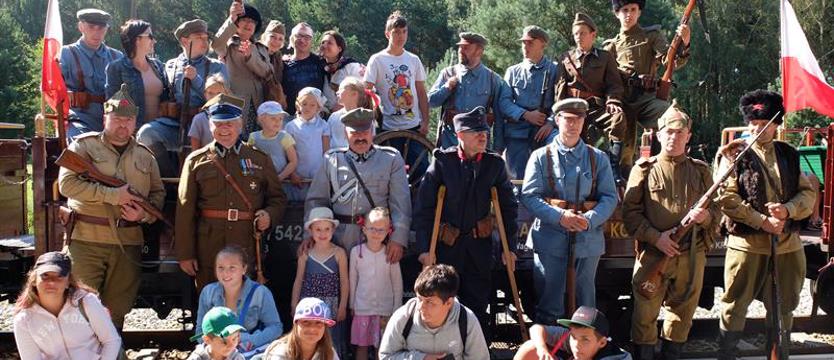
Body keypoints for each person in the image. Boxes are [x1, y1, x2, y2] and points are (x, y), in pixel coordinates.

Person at [715, 90, 816, 360]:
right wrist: (762, 221)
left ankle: (777, 354)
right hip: (747, 246)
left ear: (775, 124)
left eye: (765, 124)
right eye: (754, 124)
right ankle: (727, 355)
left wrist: (786, 211)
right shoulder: (734, 154)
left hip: (786, 245)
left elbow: (808, 194)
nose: (758, 129)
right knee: (734, 306)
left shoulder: (789, 154)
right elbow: (725, 197)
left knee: (784, 307)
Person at [58, 85, 165, 328]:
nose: (123, 125)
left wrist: (143, 216)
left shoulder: (145, 156)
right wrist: (112, 195)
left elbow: (157, 194)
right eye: (117, 119)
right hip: (87, 240)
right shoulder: (84, 147)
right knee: (79, 307)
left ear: (135, 122)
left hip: (127, 243)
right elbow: (67, 185)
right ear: (105, 118)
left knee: (117, 309)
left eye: (128, 120)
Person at [621, 102, 719, 360]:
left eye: (679, 133)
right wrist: (657, 238)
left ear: (688, 136)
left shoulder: (701, 172)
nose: (673, 138)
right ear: (659, 134)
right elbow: (630, 215)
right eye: (668, 132)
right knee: (644, 316)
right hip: (653, 255)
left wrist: (707, 216)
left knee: (681, 315)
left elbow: (718, 213)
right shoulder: (644, 169)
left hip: (691, 257)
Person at [414, 106, 518, 340]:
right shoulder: (443, 162)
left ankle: (477, 351)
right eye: (476, 132)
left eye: (485, 131)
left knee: (478, 305)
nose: (483, 136)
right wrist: (423, 250)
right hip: (446, 249)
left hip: (479, 249)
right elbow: (424, 210)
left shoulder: (494, 165)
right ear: (460, 135)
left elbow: (508, 208)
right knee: (444, 303)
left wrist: (508, 247)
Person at [520, 98, 618, 325]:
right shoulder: (540, 157)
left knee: (585, 307)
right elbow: (529, 195)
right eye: (567, 119)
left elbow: (610, 197)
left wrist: (589, 220)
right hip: (550, 239)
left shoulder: (598, 158)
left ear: (584, 122)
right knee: (549, 304)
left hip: (587, 240)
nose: (573, 125)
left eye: (578, 119)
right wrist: (560, 217)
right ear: (557, 120)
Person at [176, 98, 287, 290]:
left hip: (245, 243)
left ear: (240, 124)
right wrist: (186, 254)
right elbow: (185, 210)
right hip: (209, 246)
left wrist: (269, 215)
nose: (224, 129)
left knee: (244, 302)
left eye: (230, 123)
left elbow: (277, 198)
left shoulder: (258, 158)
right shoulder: (195, 161)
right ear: (210, 126)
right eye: (218, 124)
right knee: (210, 300)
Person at [305, 108, 411, 262]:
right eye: (354, 133)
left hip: (377, 239)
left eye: (364, 132)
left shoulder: (391, 159)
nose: (360, 137)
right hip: (337, 240)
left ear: (372, 132)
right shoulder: (331, 160)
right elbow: (316, 201)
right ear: (345, 133)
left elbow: (400, 204)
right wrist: (309, 234)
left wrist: (398, 239)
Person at [602, 0, 690, 173]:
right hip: (623, 104)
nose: (629, 14)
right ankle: (621, 186)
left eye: (633, 9)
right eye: (625, 10)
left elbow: (670, 61)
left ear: (639, 12)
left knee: (676, 120)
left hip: (648, 101)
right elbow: (607, 80)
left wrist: (684, 43)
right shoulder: (610, 46)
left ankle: (669, 168)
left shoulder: (651, 36)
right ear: (617, 13)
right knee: (623, 155)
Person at [429, 32, 534, 150]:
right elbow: (430, 102)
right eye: (460, 47)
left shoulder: (493, 80)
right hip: (450, 145)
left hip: (479, 147)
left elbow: (498, 118)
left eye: (466, 47)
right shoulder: (447, 74)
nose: (460, 51)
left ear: (479, 51)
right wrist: (447, 88)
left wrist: (497, 149)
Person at [556, 13, 625, 183]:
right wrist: (558, 111)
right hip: (574, 109)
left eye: (582, 33)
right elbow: (560, 87)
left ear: (593, 35)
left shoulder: (605, 57)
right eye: (576, 34)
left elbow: (614, 84)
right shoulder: (566, 58)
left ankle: (614, 167)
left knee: (618, 118)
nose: (578, 37)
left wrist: (613, 101)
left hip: (596, 108)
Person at [13, 252, 122, 359]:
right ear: (33, 280)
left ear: (68, 282)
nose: (51, 282)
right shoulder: (24, 320)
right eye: (45, 276)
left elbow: (111, 341)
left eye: (59, 276)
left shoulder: (86, 302)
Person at [364, 11, 430, 172]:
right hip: (387, 127)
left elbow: (421, 92)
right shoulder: (377, 60)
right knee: (387, 171)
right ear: (387, 34)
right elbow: (367, 91)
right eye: (396, 32)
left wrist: (426, 121)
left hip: (413, 126)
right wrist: (370, 121)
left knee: (421, 170)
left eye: (404, 31)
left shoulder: (413, 60)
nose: (401, 36)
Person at [378, 264, 489, 359]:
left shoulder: (467, 320)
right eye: (420, 299)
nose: (421, 306)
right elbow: (385, 356)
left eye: (430, 302)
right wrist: (419, 358)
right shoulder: (403, 318)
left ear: (448, 303)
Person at [196, 246, 283, 358]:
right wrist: (218, 346)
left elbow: (276, 327)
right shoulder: (208, 293)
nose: (225, 273)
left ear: (244, 269)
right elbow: (199, 332)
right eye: (220, 268)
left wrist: (248, 339)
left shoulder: (261, 293)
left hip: (251, 353)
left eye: (232, 267)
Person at [499, 25, 559, 180]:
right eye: (523, 43)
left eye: (530, 43)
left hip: (545, 129)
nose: (525, 47)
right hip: (518, 131)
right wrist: (525, 114)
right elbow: (504, 102)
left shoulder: (555, 70)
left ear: (543, 44)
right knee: (518, 180)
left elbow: (561, 100)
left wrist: (551, 123)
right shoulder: (513, 71)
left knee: (551, 169)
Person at [291, 207, 349, 358]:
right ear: (310, 230)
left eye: (326, 229)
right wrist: (294, 304)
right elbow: (298, 280)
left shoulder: (339, 253)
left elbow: (344, 281)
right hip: (308, 305)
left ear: (333, 230)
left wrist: (343, 306)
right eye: (318, 229)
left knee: (331, 340)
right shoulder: (305, 254)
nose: (322, 233)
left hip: (331, 305)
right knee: (308, 339)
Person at [61, 8, 124, 142]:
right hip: (80, 120)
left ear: (106, 29)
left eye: (101, 28)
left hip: (113, 122)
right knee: (80, 148)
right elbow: (53, 90)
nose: (96, 32)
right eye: (91, 27)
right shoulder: (66, 54)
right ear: (81, 27)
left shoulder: (117, 57)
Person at [349, 207, 404, 360]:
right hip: (362, 308)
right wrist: (352, 304)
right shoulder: (356, 252)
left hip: (385, 310)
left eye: (381, 230)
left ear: (388, 231)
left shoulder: (389, 253)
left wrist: (396, 308)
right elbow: (353, 279)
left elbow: (397, 283)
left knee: (383, 347)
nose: (376, 233)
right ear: (364, 229)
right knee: (362, 346)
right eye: (372, 228)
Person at [214, 1, 272, 134]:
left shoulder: (260, 49)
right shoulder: (228, 44)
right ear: (236, 23)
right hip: (234, 103)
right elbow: (216, 45)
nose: (249, 24)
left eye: (253, 21)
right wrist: (231, 18)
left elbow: (268, 73)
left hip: (258, 104)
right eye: (244, 19)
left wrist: (249, 57)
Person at [106, 19, 172, 127]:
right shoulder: (116, 68)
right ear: (137, 39)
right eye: (150, 36)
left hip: (160, 130)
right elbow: (112, 107)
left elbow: (167, 98)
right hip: (132, 131)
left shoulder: (158, 66)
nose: (154, 41)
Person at [514, 306, 632, 360]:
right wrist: (542, 349)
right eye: (573, 337)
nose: (576, 344)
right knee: (531, 346)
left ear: (602, 343)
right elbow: (536, 328)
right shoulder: (571, 337)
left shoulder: (617, 357)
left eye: (585, 339)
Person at [165, 19, 229, 114]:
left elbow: (222, 100)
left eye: (206, 38)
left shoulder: (217, 67)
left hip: (206, 121)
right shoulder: (170, 65)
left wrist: (195, 79)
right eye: (199, 38)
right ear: (184, 42)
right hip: (174, 122)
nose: (205, 42)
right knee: (149, 129)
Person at [284, 87, 330, 201]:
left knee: (316, 202)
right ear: (298, 105)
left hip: (317, 174)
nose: (307, 108)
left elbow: (326, 152)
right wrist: (292, 173)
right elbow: (289, 153)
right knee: (298, 204)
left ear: (319, 107)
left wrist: (325, 174)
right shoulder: (291, 126)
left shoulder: (323, 126)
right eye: (304, 104)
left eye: (312, 105)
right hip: (299, 175)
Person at [263, 297, 340, 360]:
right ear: (296, 324)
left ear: (325, 327)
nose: (312, 328)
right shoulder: (281, 352)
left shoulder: (329, 353)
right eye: (306, 322)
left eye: (318, 323)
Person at [248, 101, 298, 187]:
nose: (278, 122)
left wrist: (279, 178)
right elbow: (249, 159)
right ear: (261, 119)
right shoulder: (253, 137)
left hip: (281, 182)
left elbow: (293, 161)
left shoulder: (284, 137)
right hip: (261, 181)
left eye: (280, 118)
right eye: (273, 118)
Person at [282, 22, 326, 115]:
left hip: (316, 119)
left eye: (307, 37)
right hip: (290, 118)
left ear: (312, 41)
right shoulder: (282, 65)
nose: (302, 40)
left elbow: (338, 64)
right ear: (291, 38)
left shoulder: (320, 62)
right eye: (299, 36)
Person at [320, 30, 366, 112]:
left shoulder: (352, 67)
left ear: (339, 48)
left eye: (329, 43)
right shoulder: (320, 68)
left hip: (353, 115)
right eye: (323, 42)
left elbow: (364, 92)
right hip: (330, 118)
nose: (324, 45)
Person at [327, 76, 375, 149]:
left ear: (354, 94)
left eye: (341, 89)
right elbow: (327, 139)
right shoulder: (334, 117)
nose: (337, 92)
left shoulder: (366, 117)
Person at [189, 75, 235, 150]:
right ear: (205, 94)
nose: (214, 97)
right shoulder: (199, 119)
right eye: (210, 93)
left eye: (219, 93)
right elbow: (195, 152)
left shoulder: (234, 118)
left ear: (226, 94)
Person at [259, 20, 287, 107]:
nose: (276, 41)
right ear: (265, 36)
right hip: (256, 99)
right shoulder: (255, 51)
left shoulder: (277, 56)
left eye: (280, 39)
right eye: (273, 37)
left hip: (271, 102)